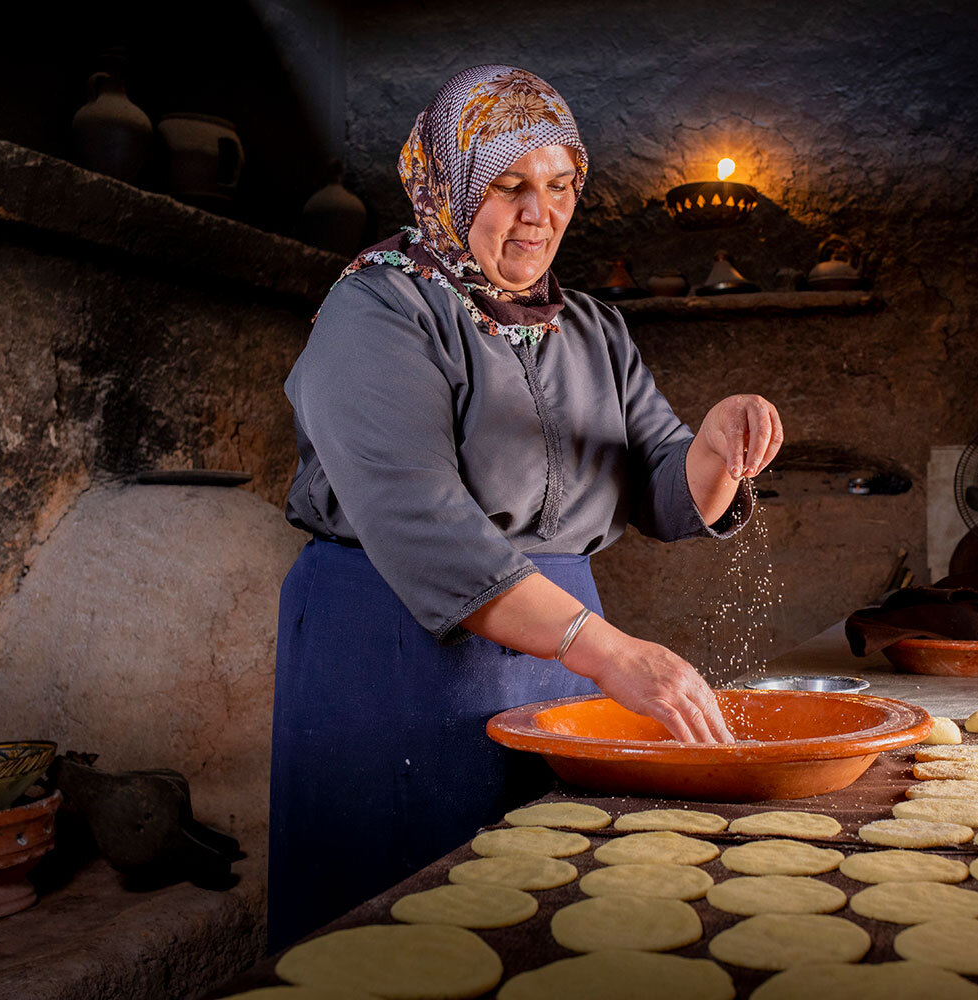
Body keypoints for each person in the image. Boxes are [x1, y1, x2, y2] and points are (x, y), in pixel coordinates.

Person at [267, 64, 783, 949]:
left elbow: (659, 479)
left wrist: (715, 448)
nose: (539, 213)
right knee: (393, 919)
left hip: (558, 657)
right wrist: (611, 651)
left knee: (533, 906)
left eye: (559, 186)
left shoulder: (589, 327)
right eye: (509, 187)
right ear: (452, 186)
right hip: (398, 644)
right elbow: (421, 521)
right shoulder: (379, 309)